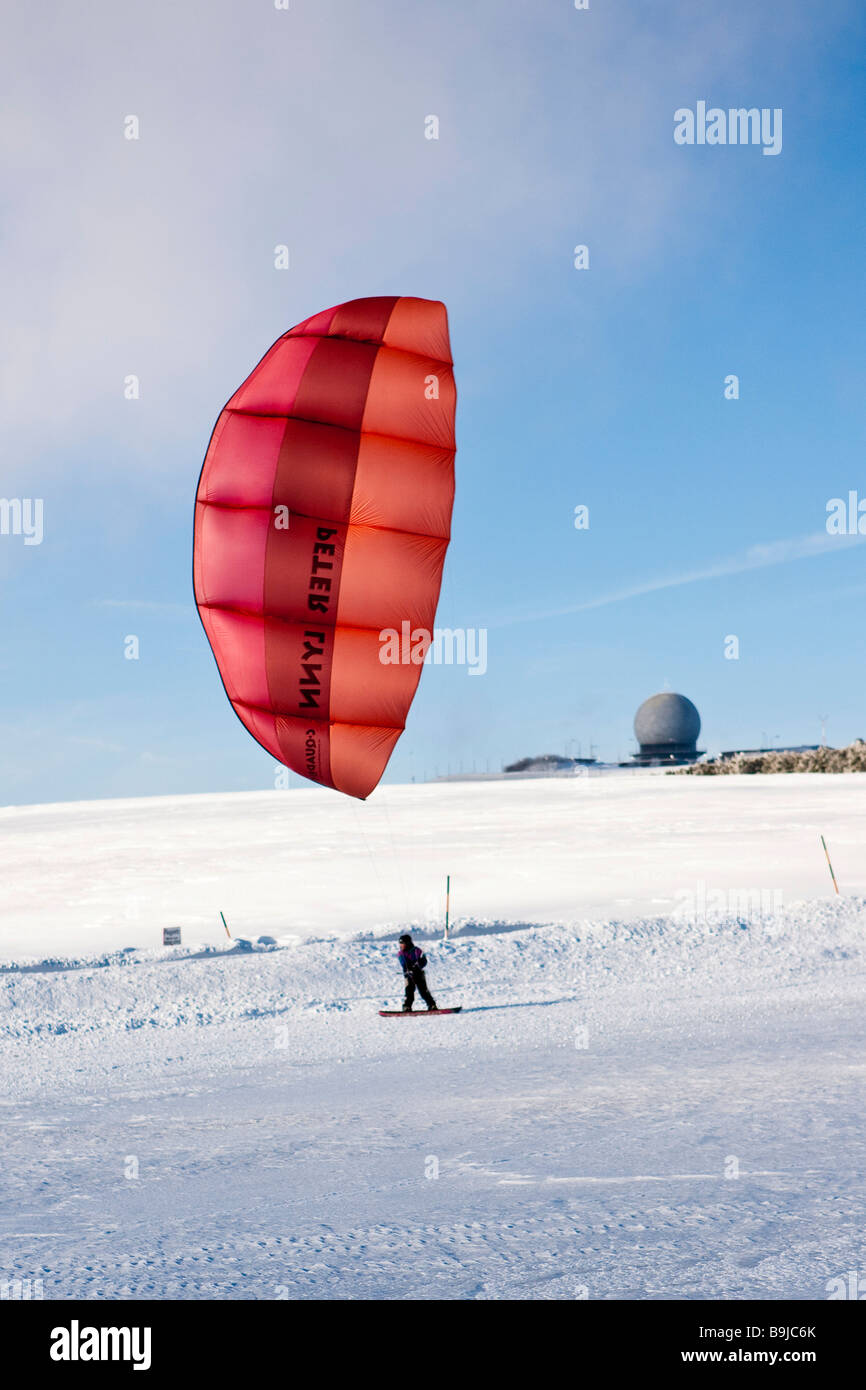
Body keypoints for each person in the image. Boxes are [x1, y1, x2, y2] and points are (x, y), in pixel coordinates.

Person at [397, 933, 438, 1012]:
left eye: (402, 943)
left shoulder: (417, 950)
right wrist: (410, 968)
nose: (400, 945)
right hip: (409, 976)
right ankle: (407, 1007)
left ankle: (432, 1005)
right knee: (409, 992)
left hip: (419, 974)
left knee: (424, 991)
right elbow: (403, 963)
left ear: (408, 943)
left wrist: (419, 964)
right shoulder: (401, 953)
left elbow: (424, 960)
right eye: (400, 944)